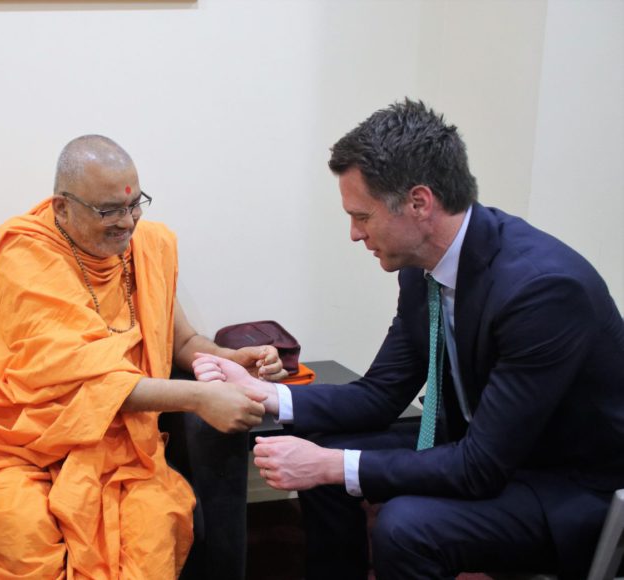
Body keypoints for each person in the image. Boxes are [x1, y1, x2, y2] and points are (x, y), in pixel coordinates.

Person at [195, 100, 624, 579]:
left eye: (363, 216)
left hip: (566, 487)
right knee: (318, 442)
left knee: (405, 525)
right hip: (486, 448)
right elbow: (380, 394)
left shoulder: (541, 289)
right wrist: (265, 394)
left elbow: (480, 467)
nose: (355, 234)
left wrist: (332, 466)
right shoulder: (425, 271)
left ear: (419, 203)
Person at [0, 134, 286, 578]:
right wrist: (198, 398)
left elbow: (179, 342)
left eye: (135, 204)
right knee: (19, 532)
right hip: (19, 438)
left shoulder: (146, 247)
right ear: (62, 207)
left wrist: (228, 357)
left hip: (119, 441)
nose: (127, 222)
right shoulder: (25, 256)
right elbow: (86, 380)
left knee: (152, 526)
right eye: (109, 211)